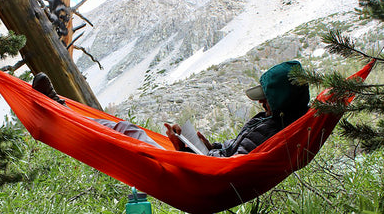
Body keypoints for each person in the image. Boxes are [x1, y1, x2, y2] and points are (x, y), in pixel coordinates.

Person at [32, 60, 310, 156]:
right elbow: (230, 151)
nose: (261, 103)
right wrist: (203, 143)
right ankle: (62, 110)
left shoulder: (274, 130)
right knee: (124, 130)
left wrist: (185, 149)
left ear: (282, 101)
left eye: (267, 99)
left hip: (195, 173)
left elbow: (230, 167)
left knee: (124, 132)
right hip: (199, 162)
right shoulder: (271, 122)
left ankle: (60, 112)